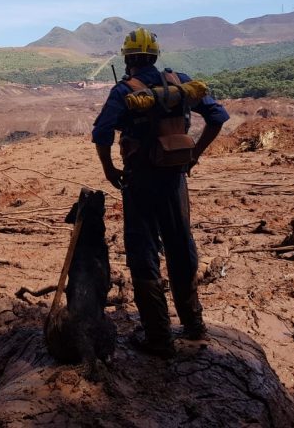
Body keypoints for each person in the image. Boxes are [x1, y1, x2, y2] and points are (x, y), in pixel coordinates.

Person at [92, 27, 229, 358]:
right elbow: (217, 116)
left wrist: (110, 170)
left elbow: (102, 133)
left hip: (140, 182)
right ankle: (194, 327)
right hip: (175, 179)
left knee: (143, 253)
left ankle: (158, 338)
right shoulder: (179, 81)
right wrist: (193, 155)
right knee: (182, 246)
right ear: (154, 57)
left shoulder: (125, 89)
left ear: (128, 60)